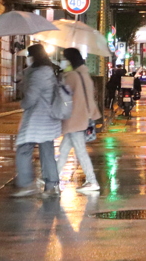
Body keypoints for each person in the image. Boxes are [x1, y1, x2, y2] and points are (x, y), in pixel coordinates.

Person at [13, 44, 63, 198]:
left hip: (36, 118)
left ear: (33, 56)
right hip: (47, 118)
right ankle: (52, 185)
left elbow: (31, 98)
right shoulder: (47, 71)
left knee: (23, 149)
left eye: (29, 55)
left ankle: (26, 183)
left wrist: (22, 103)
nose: (28, 58)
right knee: (47, 151)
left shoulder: (38, 73)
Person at [56, 48, 102, 192]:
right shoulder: (84, 74)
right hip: (80, 118)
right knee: (63, 150)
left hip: (75, 119)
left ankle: (92, 181)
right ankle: (52, 178)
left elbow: (63, 95)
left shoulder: (72, 76)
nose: (62, 61)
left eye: (64, 59)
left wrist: (60, 79)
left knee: (80, 151)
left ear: (70, 61)